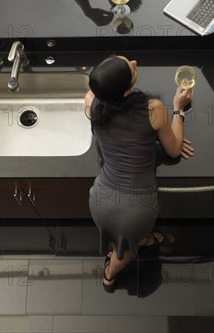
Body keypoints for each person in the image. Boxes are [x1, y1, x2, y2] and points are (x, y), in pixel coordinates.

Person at [85, 55, 193, 292]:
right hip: (136, 210)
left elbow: (94, 92)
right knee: (123, 252)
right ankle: (110, 276)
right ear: (126, 88)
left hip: (100, 200)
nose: (134, 63)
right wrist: (178, 110)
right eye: (130, 67)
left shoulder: (91, 102)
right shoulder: (152, 109)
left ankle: (136, 240)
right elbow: (174, 150)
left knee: (122, 237)